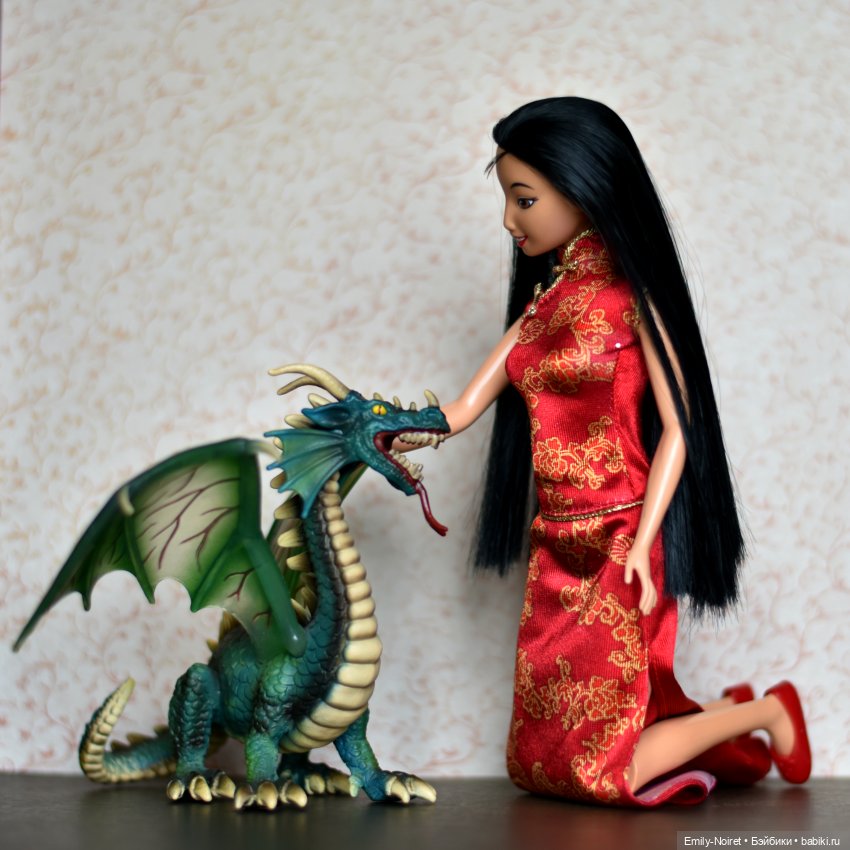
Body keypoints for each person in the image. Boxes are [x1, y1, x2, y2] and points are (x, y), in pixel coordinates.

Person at [422, 97, 811, 806]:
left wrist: (645, 539)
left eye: (524, 199)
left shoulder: (632, 299)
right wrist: (375, 427)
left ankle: (763, 712)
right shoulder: (542, 309)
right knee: (538, 761)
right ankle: (728, 713)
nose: (509, 220)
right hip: (555, 545)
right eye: (509, 199)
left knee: (606, 770)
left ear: (585, 188)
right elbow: (461, 409)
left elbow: (680, 428)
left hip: (619, 539)